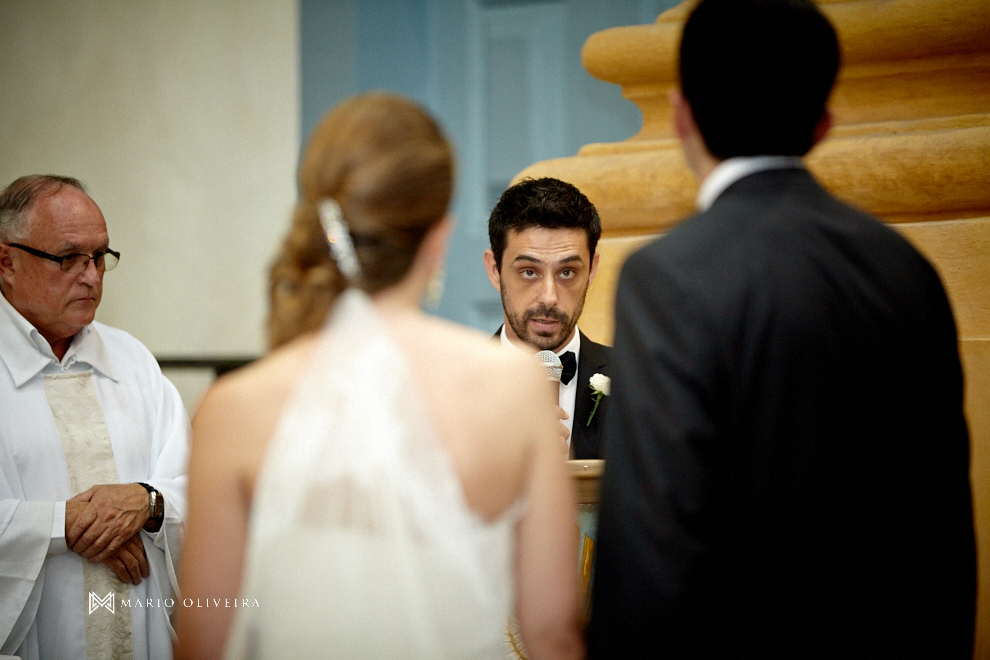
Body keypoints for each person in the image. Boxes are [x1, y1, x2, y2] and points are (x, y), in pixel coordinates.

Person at [586, 0, 977, 657]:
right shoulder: (906, 268)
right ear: (822, 122)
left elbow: (651, 542)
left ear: (681, 113)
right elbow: (942, 529)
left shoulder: (670, 275)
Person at [175, 93, 584, 660]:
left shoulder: (232, 407)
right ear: (439, 238)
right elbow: (553, 632)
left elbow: (201, 636)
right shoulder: (513, 389)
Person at [0, 175, 189, 660]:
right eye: (69, 259)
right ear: (6, 261)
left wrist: (146, 505)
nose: (92, 276)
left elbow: (193, 485)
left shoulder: (133, 361)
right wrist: (65, 525)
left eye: (100, 256)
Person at [484, 177, 611, 459]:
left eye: (567, 272)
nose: (549, 297)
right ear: (495, 269)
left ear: (591, 270)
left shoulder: (637, 381)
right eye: (529, 272)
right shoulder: (451, 387)